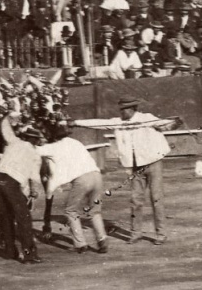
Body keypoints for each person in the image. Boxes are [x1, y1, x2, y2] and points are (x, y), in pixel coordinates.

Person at [75, 95, 176, 244]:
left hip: (154, 163)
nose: (122, 112)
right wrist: (76, 122)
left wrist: (174, 123)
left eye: (125, 109)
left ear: (133, 108)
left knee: (156, 198)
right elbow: (99, 123)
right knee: (136, 200)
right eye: (121, 109)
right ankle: (136, 233)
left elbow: (165, 125)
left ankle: (161, 234)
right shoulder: (118, 122)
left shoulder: (147, 118)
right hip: (135, 167)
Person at [37, 124, 111, 255]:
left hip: (82, 179)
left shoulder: (53, 147)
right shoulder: (76, 142)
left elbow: (35, 151)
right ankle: (102, 239)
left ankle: (80, 244)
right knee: (95, 211)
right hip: (96, 176)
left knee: (70, 210)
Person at [0, 113, 42, 264]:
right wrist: (34, 192)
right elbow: (34, 177)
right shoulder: (35, 155)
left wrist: (8, 116)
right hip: (12, 183)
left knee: (6, 216)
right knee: (23, 219)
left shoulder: (14, 141)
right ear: (36, 141)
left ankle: (9, 251)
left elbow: (4, 127)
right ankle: (29, 254)